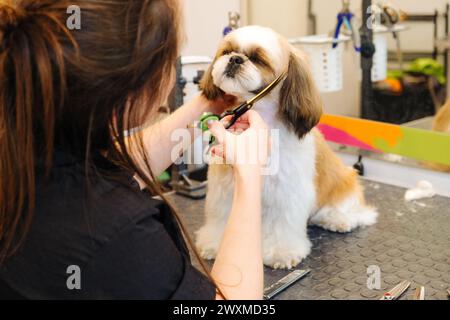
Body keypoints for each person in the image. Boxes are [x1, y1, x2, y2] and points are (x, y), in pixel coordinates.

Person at [0, 0, 270, 299]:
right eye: (171, 59)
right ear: (131, 93)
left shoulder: (25, 149)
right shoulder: (116, 236)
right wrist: (249, 175)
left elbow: (112, 168)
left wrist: (209, 103)